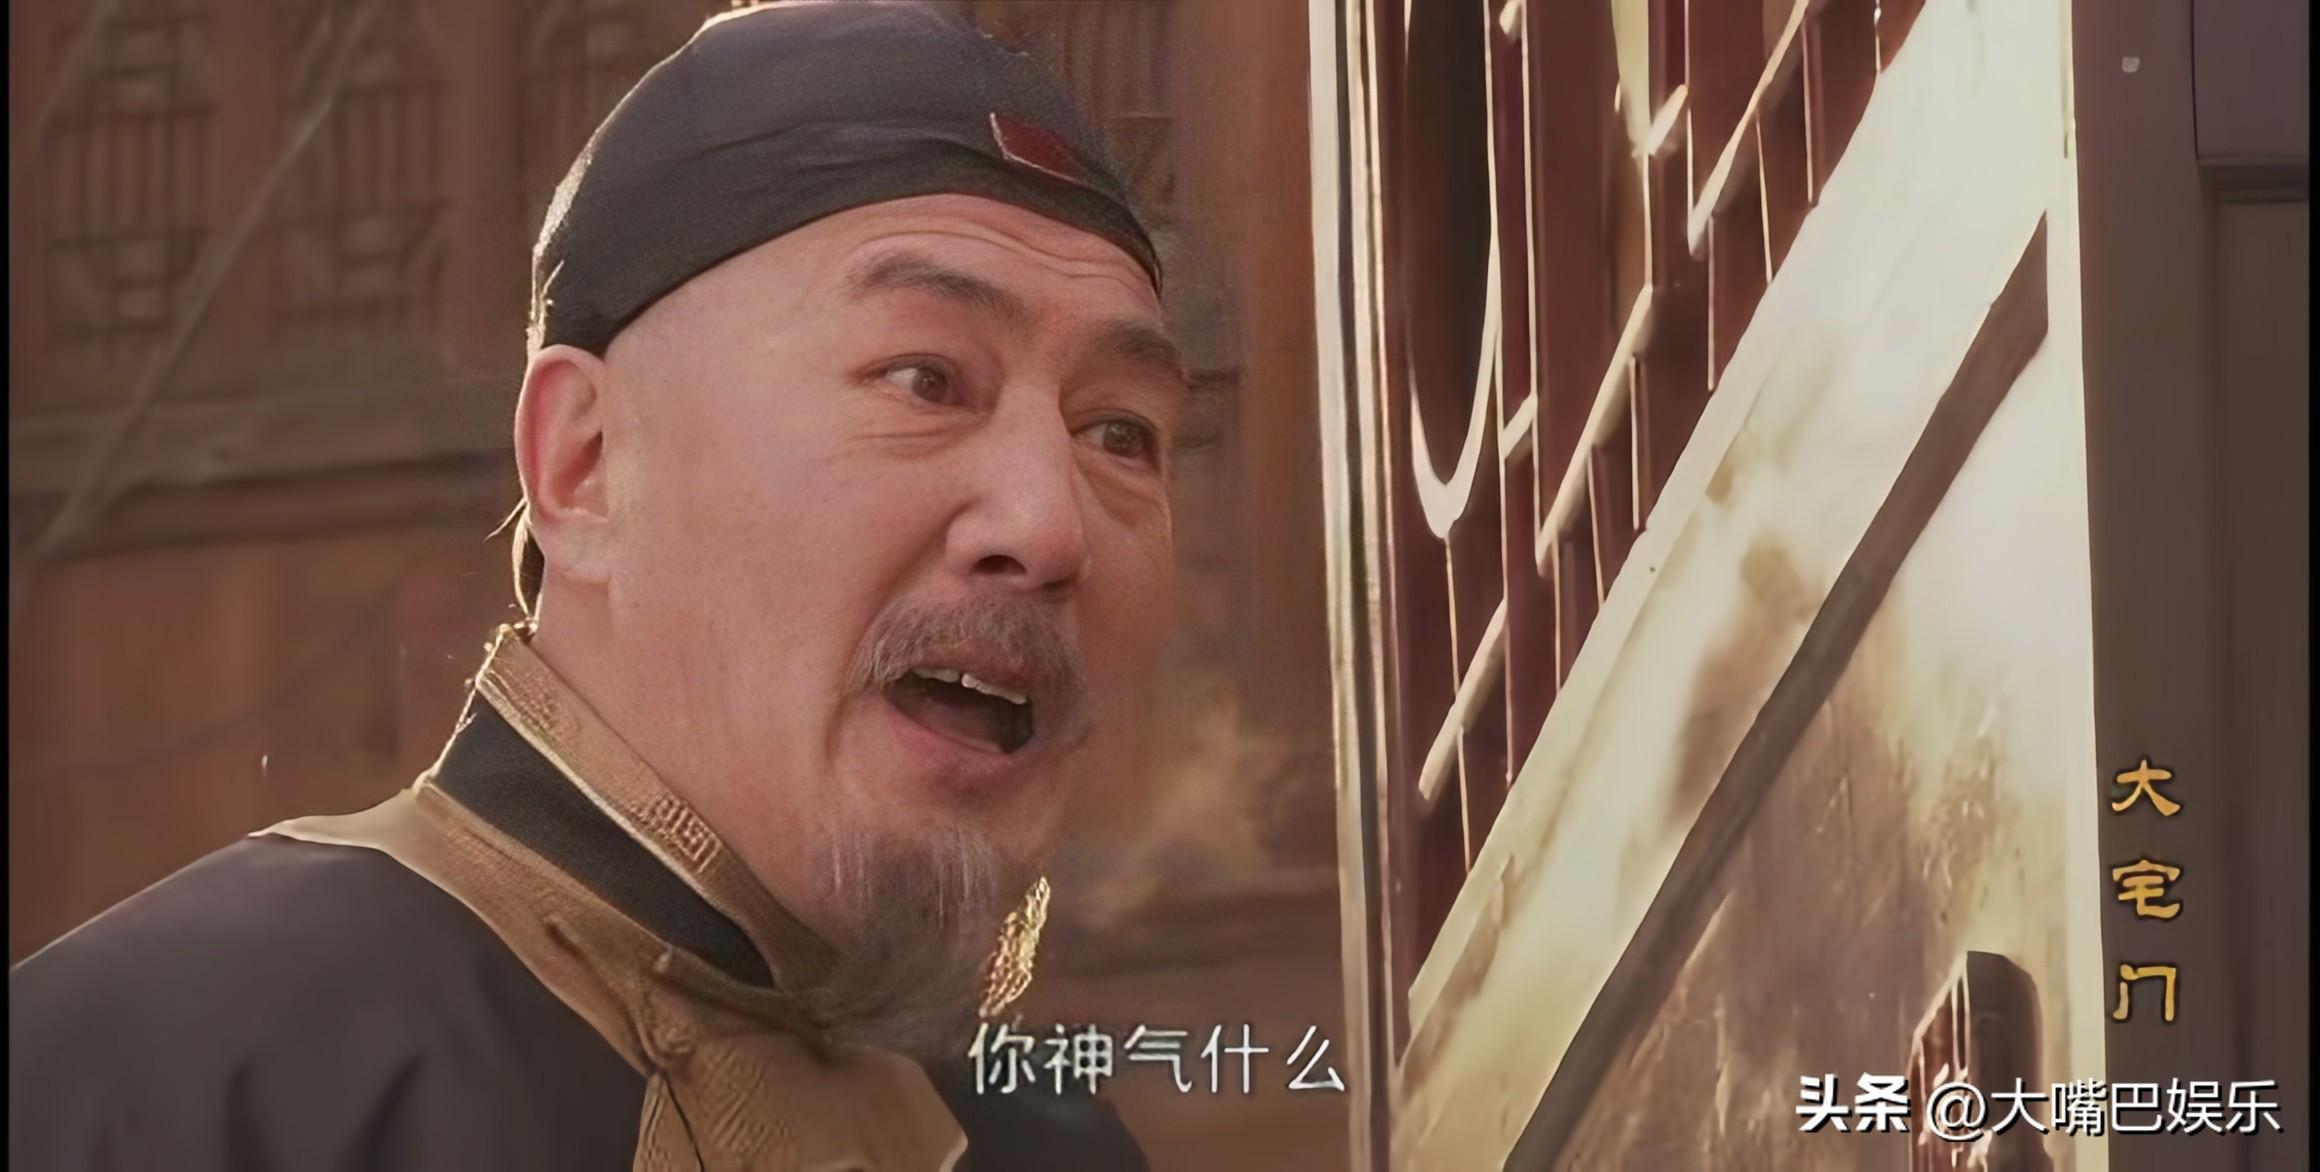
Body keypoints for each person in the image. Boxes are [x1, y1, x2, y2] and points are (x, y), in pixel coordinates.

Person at [9, 3, 1188, 1168]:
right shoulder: (158, 1073)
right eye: (925, 378)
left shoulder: (1046, 1143)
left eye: (1119, 433)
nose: (1049, 524)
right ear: (586, 463)